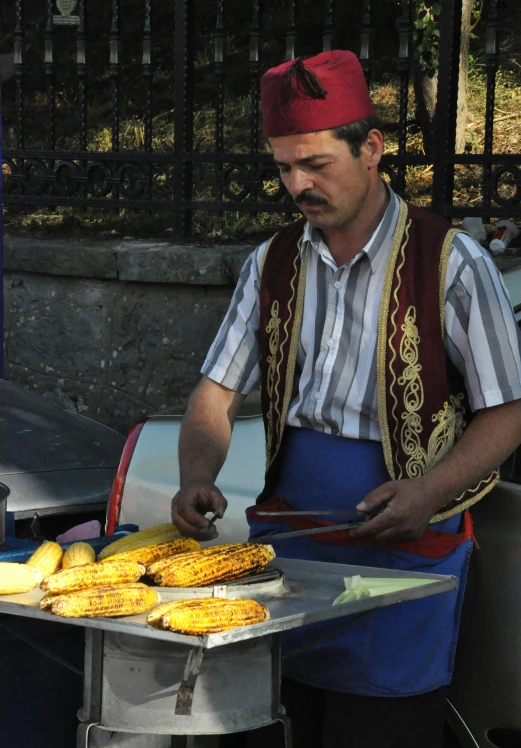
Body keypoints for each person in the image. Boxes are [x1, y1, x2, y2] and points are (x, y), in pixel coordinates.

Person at [171, 50, 521, 748]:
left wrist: (428, 491)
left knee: (380, 730)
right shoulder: (271, 261)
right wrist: (196, 476)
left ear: (370, 149)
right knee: (279, 724)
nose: (297, 185)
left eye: (315, 165)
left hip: (407, 555)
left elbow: (507, 411)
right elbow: (215, 390)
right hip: (287, 558)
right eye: (282, 168)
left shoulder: (451, 263)